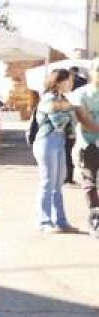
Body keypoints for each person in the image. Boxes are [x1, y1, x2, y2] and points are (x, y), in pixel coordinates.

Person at [32, 70, 78, 232]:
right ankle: (44, 222)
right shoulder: (48, 98)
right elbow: (59, 121)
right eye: (69, 80)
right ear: (58, 81)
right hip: (46, 141)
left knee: (58, 184)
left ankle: (61, 221)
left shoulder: (61, 99)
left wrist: (67, 109)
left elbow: (71, 118)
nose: (71, 84)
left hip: (59, 141)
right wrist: (70, 110)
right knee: (47, 182)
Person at [69, 66, 99, 236]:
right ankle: (95, 218)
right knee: (89, 183)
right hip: (88, 145)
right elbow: (84, 119)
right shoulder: (81, 93)